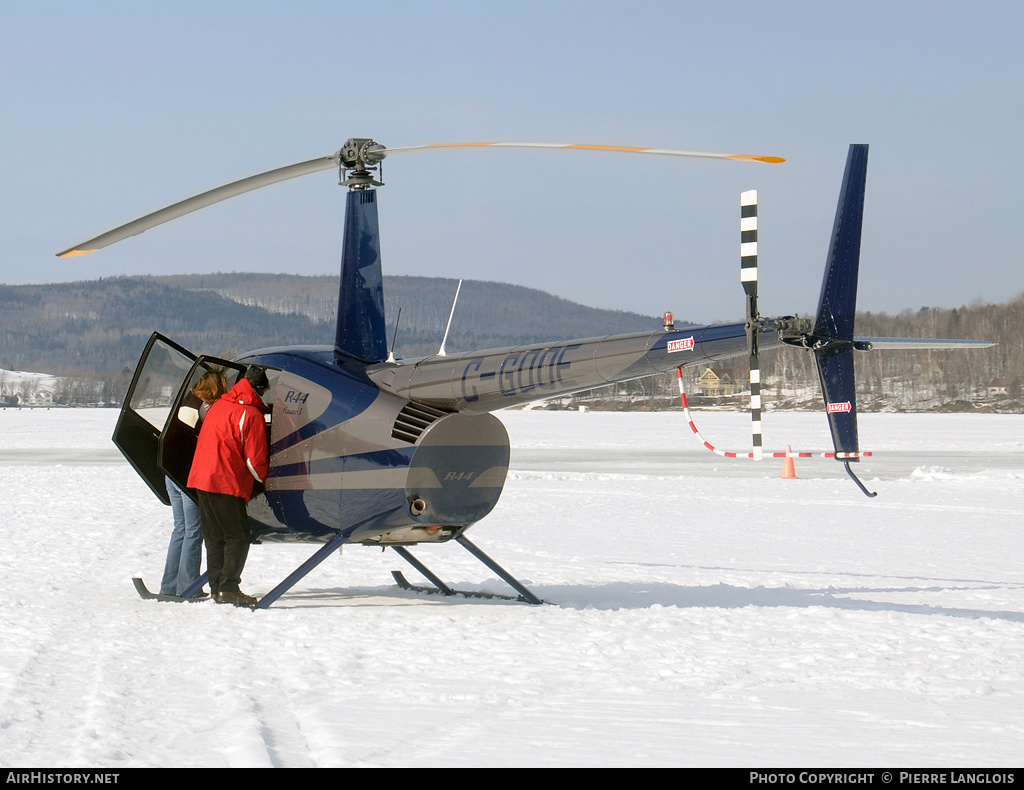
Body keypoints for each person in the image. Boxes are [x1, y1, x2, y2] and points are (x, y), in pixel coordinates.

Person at [187, 365, 270, 607]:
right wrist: (266, 482)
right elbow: (254, 461)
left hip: (201, 478)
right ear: (260, 388)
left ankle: (217, 587)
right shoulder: (251, 415)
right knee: (238, 536)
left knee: (215, 536)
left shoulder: (218, 406)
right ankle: (229, 587)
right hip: (225, 481)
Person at [160, 369, 227, 597]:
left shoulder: (187, 402)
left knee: (180, 529)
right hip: (188, 474)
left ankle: (169, 586)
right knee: (194, 531)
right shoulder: (206, 408)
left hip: (171, 472)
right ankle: (189, 586)